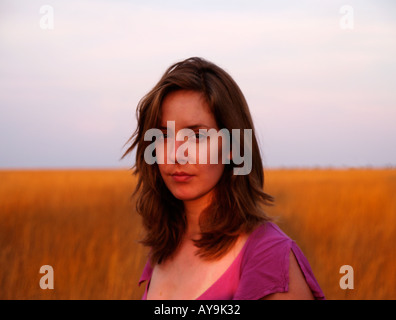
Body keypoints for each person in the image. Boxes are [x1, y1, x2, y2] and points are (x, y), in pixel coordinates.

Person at [122, 57, 325, 300]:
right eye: (164, 136)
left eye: (196, 136)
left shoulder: (269, 256)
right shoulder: (164, 247)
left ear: (233, 145)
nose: (177, 154)